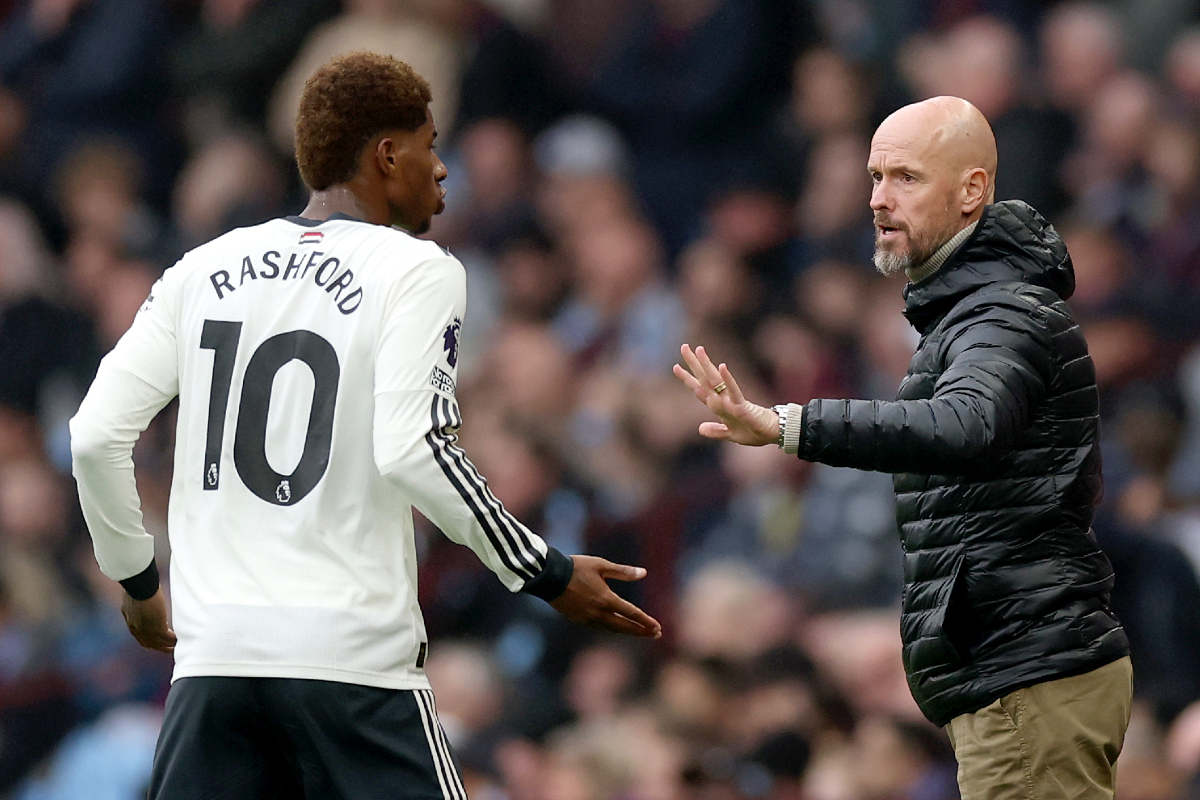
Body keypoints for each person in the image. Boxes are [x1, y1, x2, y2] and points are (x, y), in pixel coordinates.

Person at [70, 52, 661, 800]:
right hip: (349, 667)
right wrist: (542, 570)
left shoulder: (200, 269)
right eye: (431, 144)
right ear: (387, 155)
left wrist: (136, 579)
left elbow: (94, 435)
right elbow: (416, 449)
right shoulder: (418, 269)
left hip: (214, 666)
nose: (443, 170)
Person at [674, 96, 1132, 800]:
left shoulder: (1001, 311)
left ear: (973, 190)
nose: (880, 200)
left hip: (1027, 672)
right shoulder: (971, 311)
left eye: (907, 178)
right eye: (875, 177)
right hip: (1014, 670)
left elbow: (968, 425)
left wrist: (789, 426)